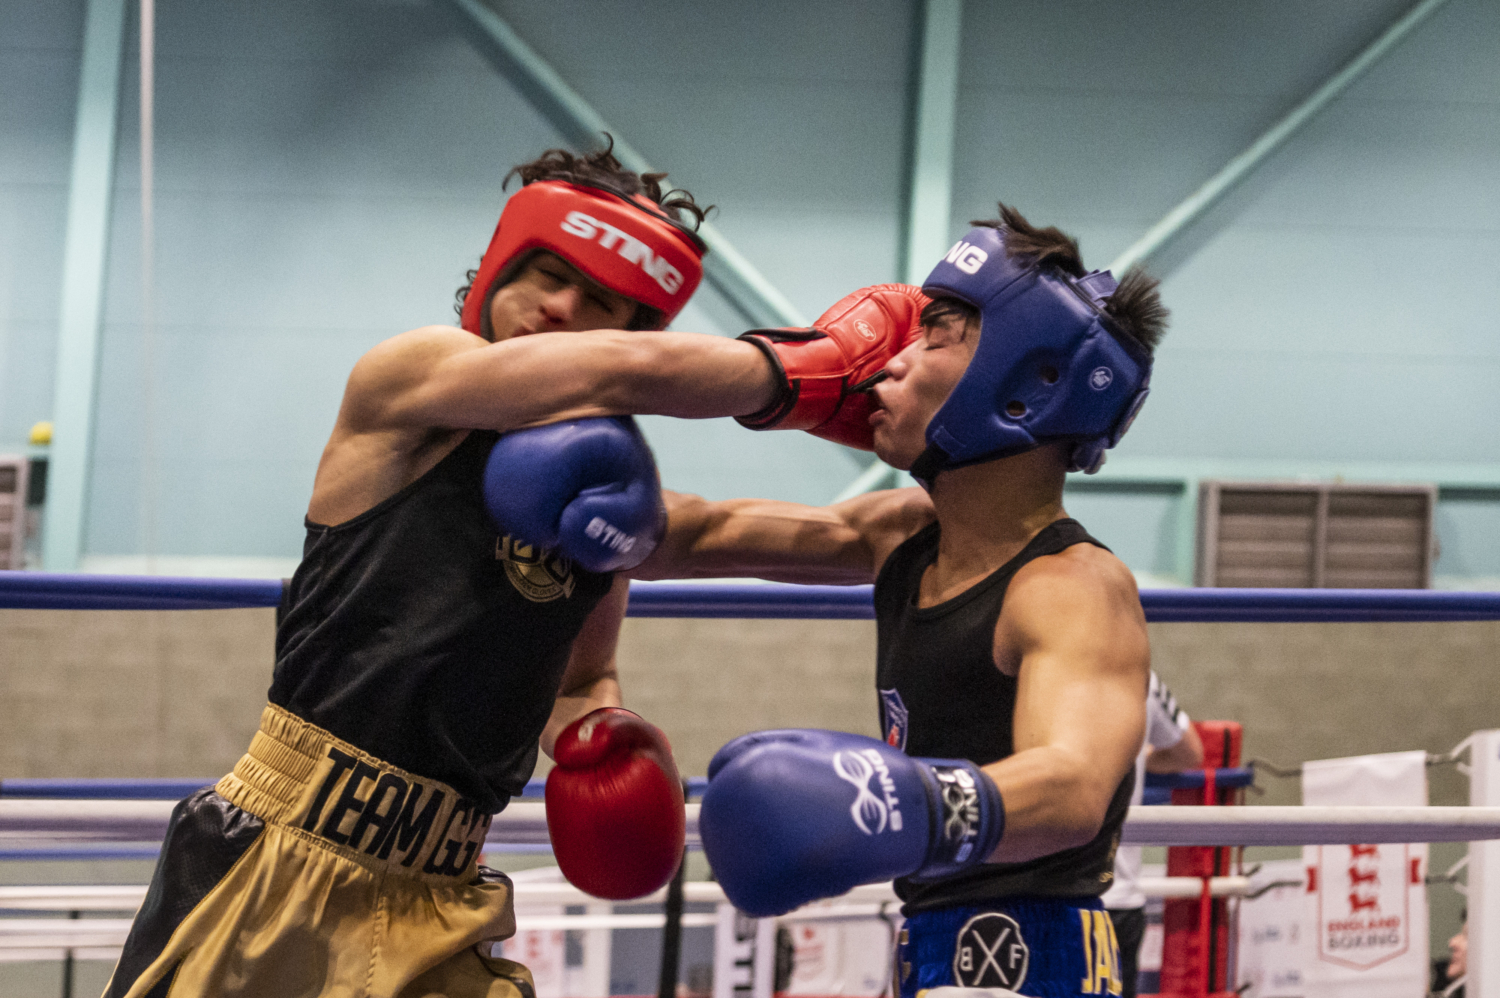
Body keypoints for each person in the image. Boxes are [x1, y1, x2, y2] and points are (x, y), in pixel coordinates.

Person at [103, 143, 787, 998]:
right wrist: (799, 373)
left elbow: (586, 671)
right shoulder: (412, 380)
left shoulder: (606, 507)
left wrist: (600, 734)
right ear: (499, 267)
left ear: (632, 330)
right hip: (281, 855)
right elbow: (612, 374)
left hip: (442, 888)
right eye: (546, 273)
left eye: (599, 299)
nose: (561, 306)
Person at [638, 203, 1170, 998]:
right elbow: (702, 534)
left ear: (1028, 380)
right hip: (929, 944)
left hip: (1039, 959)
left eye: (935, 337)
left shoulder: (1072, 586)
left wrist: (895, 804)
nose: (889, 362)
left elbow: (1071, 789)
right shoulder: (907, 535)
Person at [1102, 672, 1204, 998]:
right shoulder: (1141, 675)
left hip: (1039, 890)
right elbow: (1188, 753)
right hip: (1117, 897)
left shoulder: (1030, 667)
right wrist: (1139, 761)